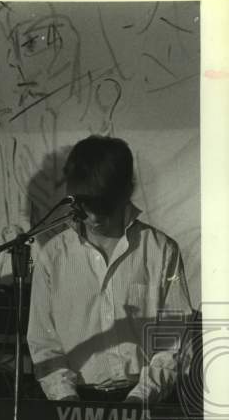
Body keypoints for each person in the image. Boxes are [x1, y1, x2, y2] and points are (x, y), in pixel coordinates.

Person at [27, 135, 193, 404]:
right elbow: (44, 344)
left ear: (127, 190)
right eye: (85, 206)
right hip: (75, 400)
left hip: (146, 400)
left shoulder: (161, 251)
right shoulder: (52, 256)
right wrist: (66, 399)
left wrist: (140, 398)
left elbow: (173, 342)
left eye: (102, 206)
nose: (93, 217)